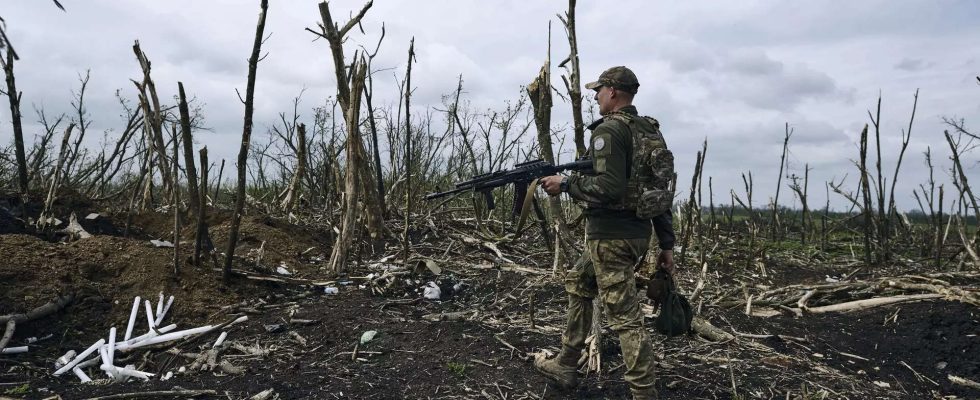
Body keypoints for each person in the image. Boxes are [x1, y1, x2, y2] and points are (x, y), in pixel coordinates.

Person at [537, 66, 676, 400]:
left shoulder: (610, 131)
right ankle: (567, 362)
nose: (596, 96)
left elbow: (610, 188)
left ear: (613, 92)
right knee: (580, 283)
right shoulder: (648, 130)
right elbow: (660, 192)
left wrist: (565, 184)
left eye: (599, 90)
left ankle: (644, 393)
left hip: (611, 239)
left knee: (626, 319)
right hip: (635, 235)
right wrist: (666, 244)